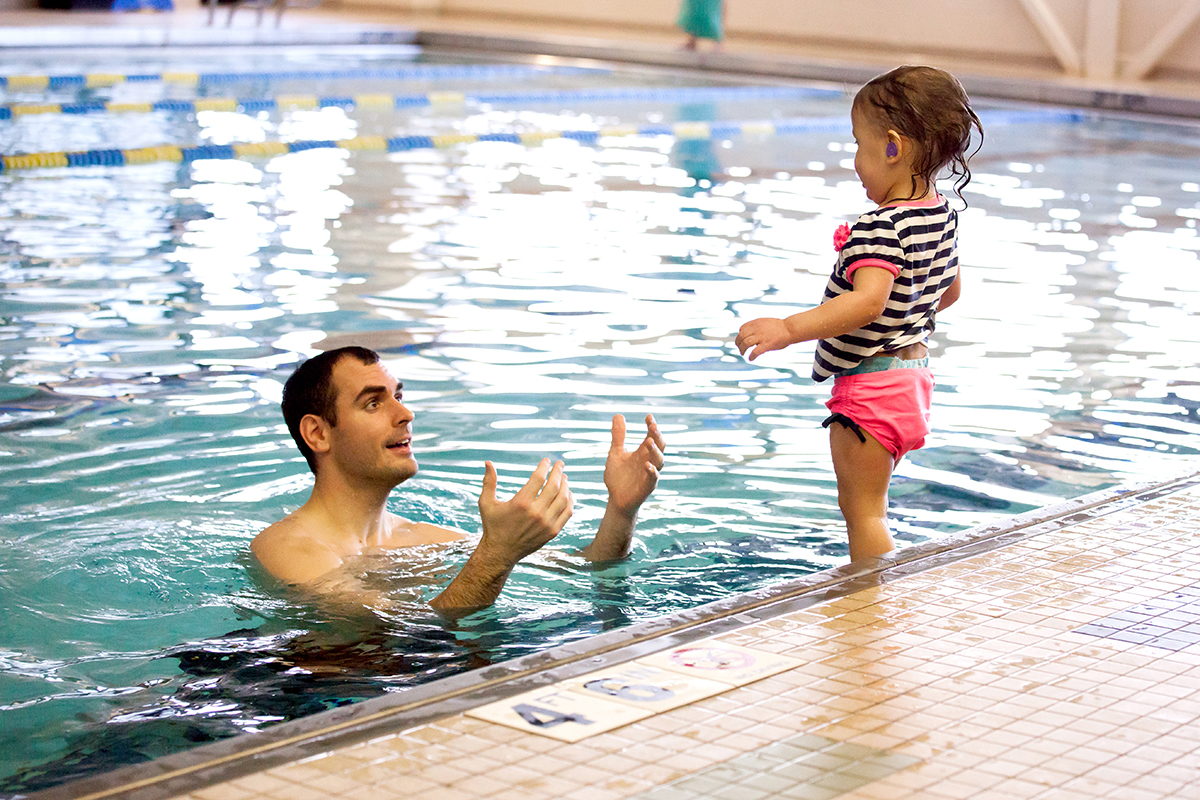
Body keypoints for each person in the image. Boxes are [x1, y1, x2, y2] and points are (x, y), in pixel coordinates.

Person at [734, 65, 983, 561]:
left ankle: (872, 607)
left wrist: (788, 328)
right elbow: (949, 292)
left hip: (870, 389)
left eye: (858, 144)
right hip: (911, 380)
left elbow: (869, 300)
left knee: (865, 511)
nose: (854, 160)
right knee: (872, 507)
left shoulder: (880, 227)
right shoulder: (940, 214)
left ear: (893, 147)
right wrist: (910, 306)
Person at [251, 346, 665, 612]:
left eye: (399, 396)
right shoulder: (289, 548)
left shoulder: (418, 538)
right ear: (318, 433)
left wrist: (622, 509)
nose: (405, 414)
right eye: (374, 403)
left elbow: (586, 569)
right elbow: (410, 634)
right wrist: (496, 555)